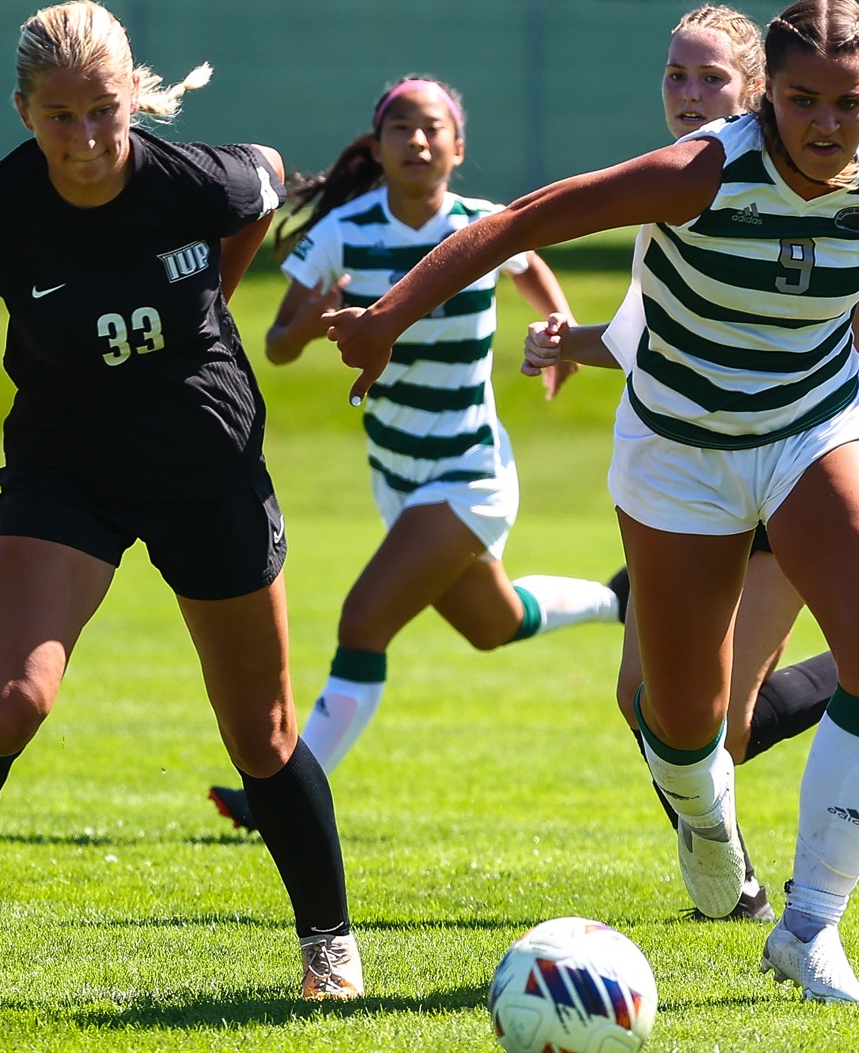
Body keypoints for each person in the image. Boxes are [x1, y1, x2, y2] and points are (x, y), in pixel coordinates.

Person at [320, 0, 859, 1008]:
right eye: (804, 100)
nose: (828, 123)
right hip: (680, 450)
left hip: (812, 429)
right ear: (768, 100)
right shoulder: (700, 171)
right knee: (681, 714)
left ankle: (809, 926)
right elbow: (525, 220)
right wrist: (390, 316)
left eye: (851, 102)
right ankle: (706, 823)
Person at [0, 0, 361, 1000]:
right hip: (70, 471)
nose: (87, 138)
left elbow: (263, 181)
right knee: (9, 707)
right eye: (61, 117)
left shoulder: (195, 179)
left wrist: (218, 293)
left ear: (133, 99)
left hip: (207, 465)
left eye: (104, 111)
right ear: (24, 113)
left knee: (262, 737)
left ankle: (330, 947)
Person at [519, 3, 859, 926]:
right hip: (688, 459)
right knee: (647, 704)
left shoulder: (841, 193)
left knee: (714, 722)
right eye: (675, 77)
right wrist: (578, 343)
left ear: (755, 94)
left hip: (791, 467)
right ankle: (732, 843)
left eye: (710, 80)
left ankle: (752, 884)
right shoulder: (693, 196)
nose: (689, 97)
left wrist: (848, 443)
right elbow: (667, 337)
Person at [206, 76, 625, 831]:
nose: (417, 140)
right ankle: (618, 599)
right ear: (377, 145)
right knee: (491, 624)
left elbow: (527, 262)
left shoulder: (480, 224)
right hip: (396, 477)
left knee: (363, 621)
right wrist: (310, 325)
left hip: (469, 473)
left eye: (433, 128)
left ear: (457, 148)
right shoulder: (341, 232)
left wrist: (560, 333)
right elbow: (275, 343)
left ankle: (276, 802)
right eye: (400, 128)